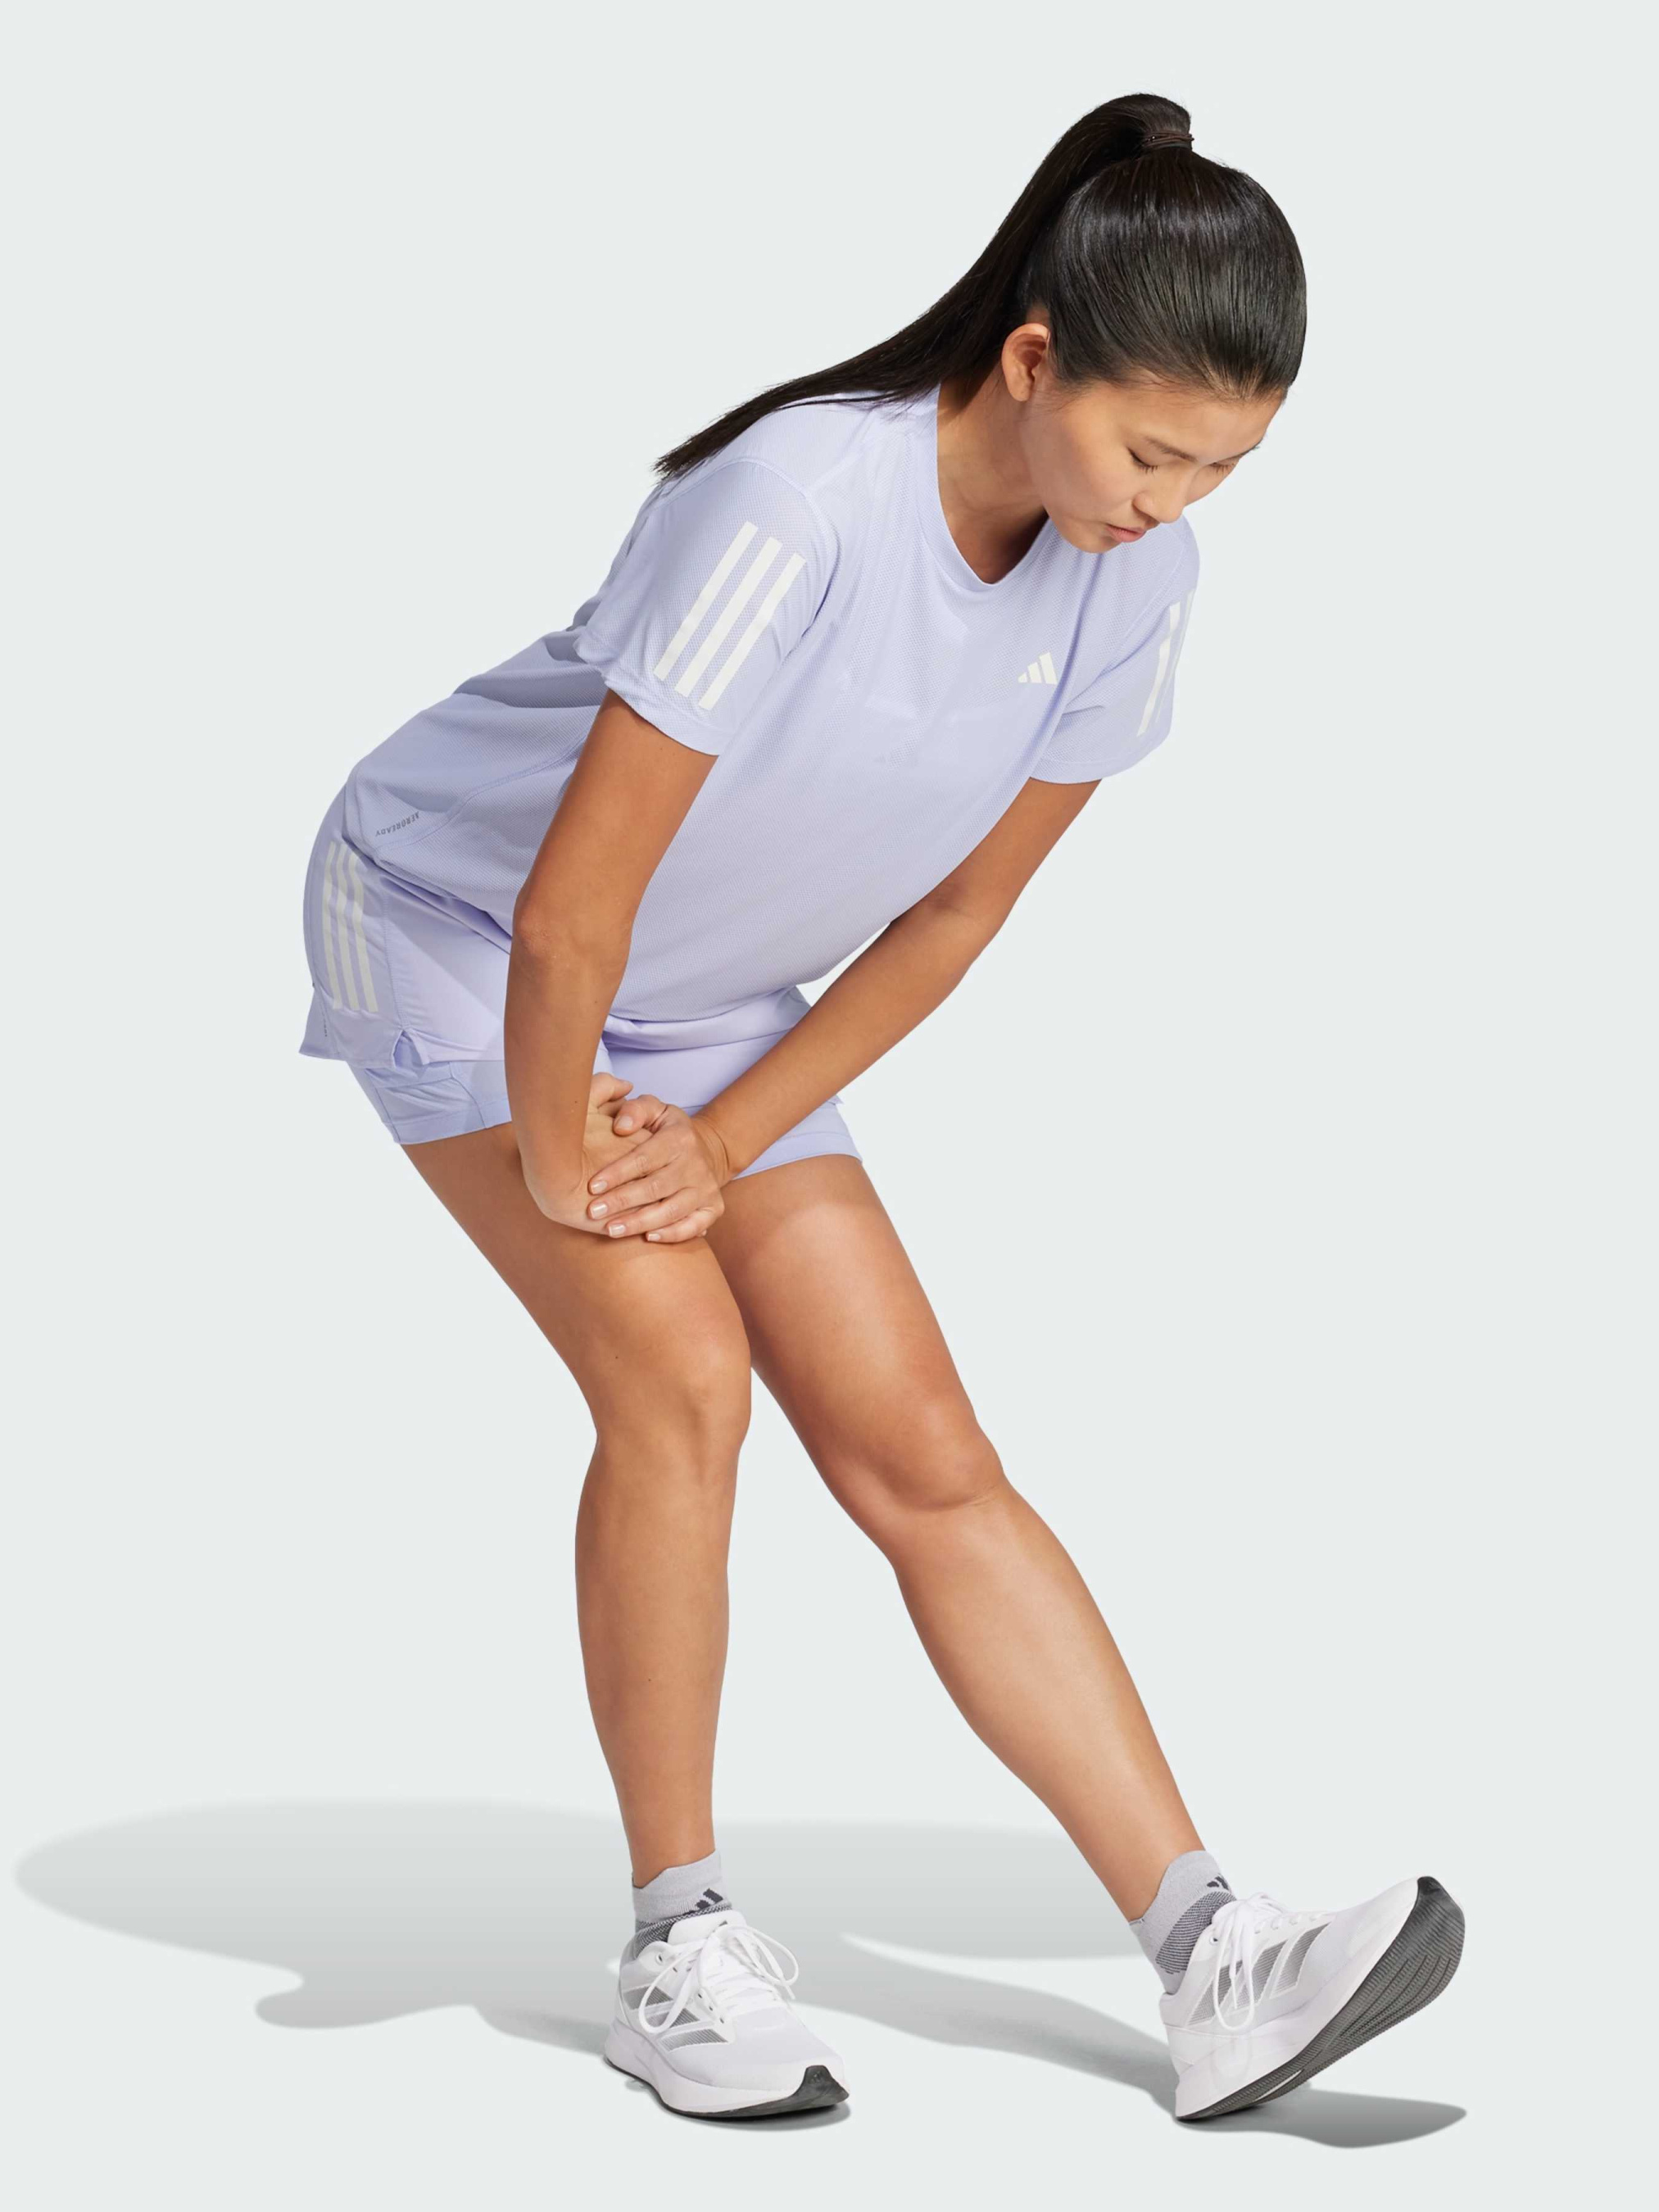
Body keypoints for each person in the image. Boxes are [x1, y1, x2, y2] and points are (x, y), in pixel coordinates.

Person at [297, 93, 1462, 2124]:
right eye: (1149, 451)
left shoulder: (1134, 582)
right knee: (679, 1377)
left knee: (920, 1443)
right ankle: (676, 1949)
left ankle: (1212, 1953)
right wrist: (571, 1152)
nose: (1173, 504)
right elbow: (570, 907)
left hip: (699, 983)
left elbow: (946, 921)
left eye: (1221, 470)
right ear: (1032, 360)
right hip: (467, 926)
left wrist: (720, 1135)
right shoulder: (794, 506)